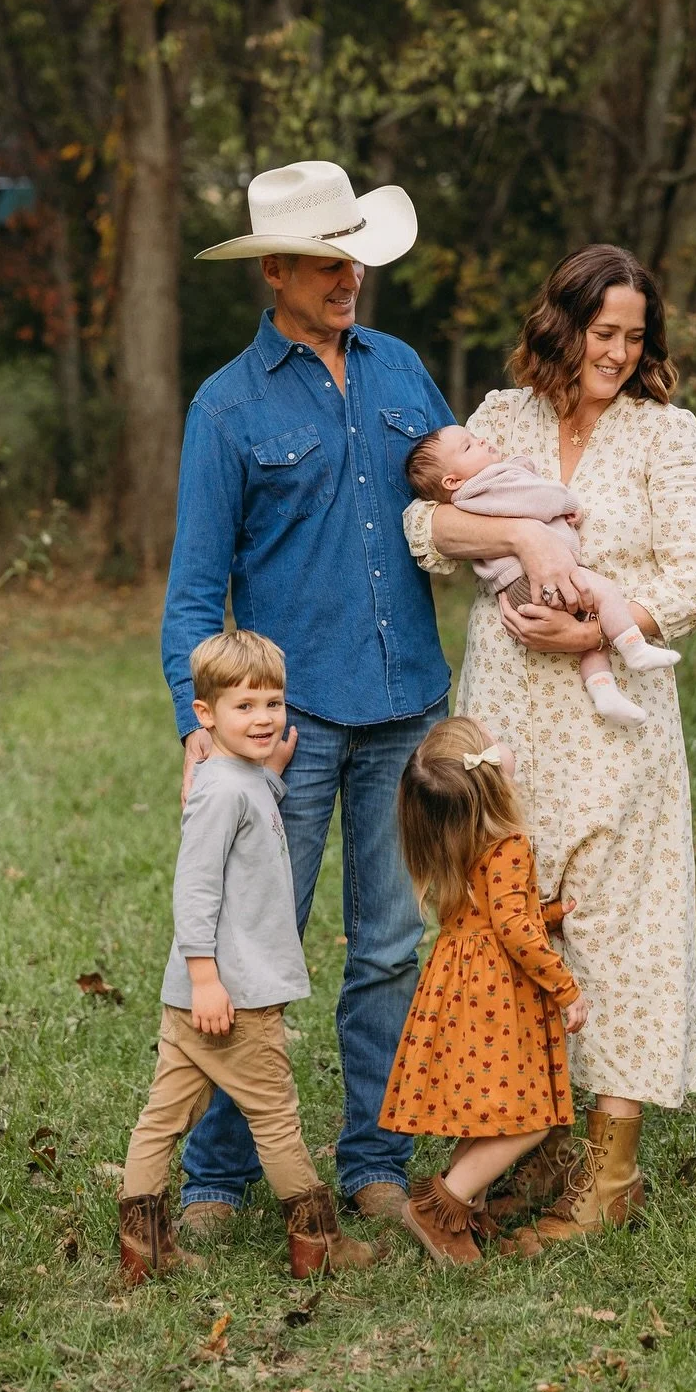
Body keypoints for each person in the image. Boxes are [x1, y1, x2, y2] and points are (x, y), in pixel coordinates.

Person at [162, 160, 571, 1231]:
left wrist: (534, 543)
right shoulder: (227, 407)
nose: (351, 278)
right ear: (277, 273)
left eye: (357, 259)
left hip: (406, 715)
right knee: (256, 946)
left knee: (389, 948)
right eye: (328, 262)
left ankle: (374, 1162)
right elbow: (197, 589)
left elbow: (456, 508)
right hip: (282, 733)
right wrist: (196, 728)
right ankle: (215, 1173)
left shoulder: (401, 375)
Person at [402, 243, 696, 1245]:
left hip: (612, 713)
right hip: (505, 716)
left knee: (622, 927)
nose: (619, 353)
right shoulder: (499, 421)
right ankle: (522, 1138)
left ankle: (609, 1179)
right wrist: (529, 544)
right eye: (603, 333)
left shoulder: (666, 437)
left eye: (635, 336)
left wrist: (597, 629)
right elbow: (422, 523)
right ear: (563, 327)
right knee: (508, 924)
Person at [118, 630, 376, 1282]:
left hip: (196, 996)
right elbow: (195, 889)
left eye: (273, 702)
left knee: (164, 1115)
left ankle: (142, 1243)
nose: (263, 718)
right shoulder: (222, 792)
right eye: (244, 707)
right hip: (234, 997)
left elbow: (248, 809)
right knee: (277, 1120)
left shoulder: (240, 779)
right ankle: (315, 1240)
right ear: (205, 715)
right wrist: (207, 977)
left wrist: (272, 775)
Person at [380, 715, 589, 1266]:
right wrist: (567, 989)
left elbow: (492, 911)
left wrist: (547, 912)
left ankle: (459, 1210)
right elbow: (513, 930)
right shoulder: (509, 844)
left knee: (490, 1110)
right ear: (491, 776)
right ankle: (440, 1206)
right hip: (498, 992)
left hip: (456, 985)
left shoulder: (453, 841)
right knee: (528, 1117)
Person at [404, 424, 680, 726]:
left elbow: (516, 483)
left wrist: (516, 463)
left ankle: (604, 692)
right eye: (469, 447)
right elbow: (534, 497)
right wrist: (569, 502)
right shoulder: (483, 485)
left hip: (520, 588)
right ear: (453, 480)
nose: (480, 439)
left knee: (591, 631)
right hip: (534, 581)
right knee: (606, 594)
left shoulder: (473, 493)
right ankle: (634, 647)